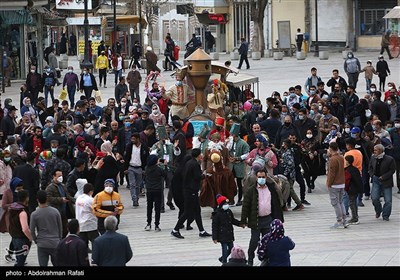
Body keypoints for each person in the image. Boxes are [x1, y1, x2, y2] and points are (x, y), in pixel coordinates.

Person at [240, 169, 284, 266]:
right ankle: (250, 258)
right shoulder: (251, 190)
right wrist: (243, 220)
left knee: (268, 241)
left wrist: (279, 218)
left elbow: (276, 204)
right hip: (256, 220)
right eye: (259, 177)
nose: (261, 179)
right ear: (256, 177)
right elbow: (245, 206)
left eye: (263, 177)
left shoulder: (271, 189)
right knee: (254, 241)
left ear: (266, 177)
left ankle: (266, 259)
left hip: (268, 219)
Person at [171, 148, 212, 239]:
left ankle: (201, 230)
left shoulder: (188, 163)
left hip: (188, 190)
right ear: (198, 156)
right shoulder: (195, 164)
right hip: (191, 191)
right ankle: (175, 229)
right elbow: (198, 177)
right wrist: (205, 175)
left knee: (197, 211)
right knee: (187, 211)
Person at [30, 190, 62, 266]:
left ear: (37, 200)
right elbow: (60, 227)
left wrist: (36, 240)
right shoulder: (55, 211)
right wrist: (59, 238)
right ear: (47, 199)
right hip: (55, 242)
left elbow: (32, 230)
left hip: (42, 243)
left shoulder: (34, 214)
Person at [368, 144, 396, 221]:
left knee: (388, 200)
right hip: (376, 180)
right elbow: (370, 167)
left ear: (381, 150)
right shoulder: (373, 157)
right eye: (374, 150)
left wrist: (384, 176)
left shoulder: (389, 159)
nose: (374, 151)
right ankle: (378, 210)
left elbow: (392, 170)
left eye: (376, 150)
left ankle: (386, 215)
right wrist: (372, 175)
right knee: (374, 198)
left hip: (386, 181)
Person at [212, 194, 242, 264]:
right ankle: (224, 262)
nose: (227, 205)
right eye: (225, 203)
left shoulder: (229, 212)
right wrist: (214, 237)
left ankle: (222, 258)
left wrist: (240, 223)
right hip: (222, 235)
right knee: (224, 250)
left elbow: (233, 220)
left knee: (231, 249)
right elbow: (214, 226)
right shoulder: (217, 214)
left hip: (229, 234)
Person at [7, 190, 32, 266]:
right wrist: (30, 237)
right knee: (20, 262)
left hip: (14, 237)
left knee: (19, 261)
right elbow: (25, 229)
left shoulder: (12, 209)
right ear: (26, 198)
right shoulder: (22, 212)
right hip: (22, 239)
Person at [326, 142, 347, 229]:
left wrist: (329, 183)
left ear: (330, 149)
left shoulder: (333, 159)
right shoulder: (341, 157)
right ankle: (344, 220)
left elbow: (332, 173)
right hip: (342, 183)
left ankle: (339, 220)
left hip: (334, 184)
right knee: (340, 202)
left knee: (335, 203)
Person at [144, 154, 167, 232]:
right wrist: (165, 166)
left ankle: (148, 223)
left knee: (149, 207)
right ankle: (157, 225)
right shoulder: (159, 169)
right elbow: (165, 175)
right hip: (158, 190)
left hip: (149, 189)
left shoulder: (146, 168)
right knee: (157, 208)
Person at [75, 183, 98, 250]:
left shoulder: (78, 198)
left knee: (83, 245)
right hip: (90, 224)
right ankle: (95, 257)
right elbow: (95, 210)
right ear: (91, 191)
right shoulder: (90, 200)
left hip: (80, 225)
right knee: (96, 243)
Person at [344, 155, 363, 225]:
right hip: (356, 188)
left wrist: (345, 187)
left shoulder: (347, 170)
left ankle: (354, 218)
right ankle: (355, 216)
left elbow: (347, 180)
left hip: (351, 189)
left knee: (352, 203)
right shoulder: (355, 169)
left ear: (348, 162)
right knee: (354, 202)